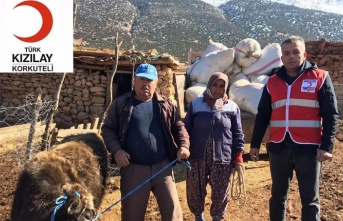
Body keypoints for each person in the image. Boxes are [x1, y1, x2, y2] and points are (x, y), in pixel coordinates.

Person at [249, 35, 339, 221]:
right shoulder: (272, 82)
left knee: (310, 200)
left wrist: (327, 146)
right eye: (287, 53)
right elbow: (263, 115)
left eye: (296, 52)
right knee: (277, 197)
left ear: (304, 54)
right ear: (281, 58)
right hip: (279, 149)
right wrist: (255, 144)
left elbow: (331, 115)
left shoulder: (320, 78)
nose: (291, 56)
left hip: (309, 150)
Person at [101, 63, 190, 221]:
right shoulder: (121, 104)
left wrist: (184, 146)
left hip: (162, 168)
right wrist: (117, 151)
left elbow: (179, 127)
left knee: (174, 214)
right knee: (132, 216)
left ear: (156, 83)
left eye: (149, 80)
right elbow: (108, 129)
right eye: (142, 79)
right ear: (134, 80)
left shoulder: (166, 105)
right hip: (133, 169)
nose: (145, 83)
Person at [183, 72, 245, 221]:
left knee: (221, 190)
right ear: (209, 86)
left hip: (222, 157)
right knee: (195, 189)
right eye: (215, 85)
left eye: (222, 86)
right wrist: (183, 147)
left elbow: (238, 134)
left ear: (226, 88)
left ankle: (217, 217)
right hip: (197, 156)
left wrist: (238, 156)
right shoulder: (197, 104)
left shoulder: (231, 107)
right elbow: (185, 129)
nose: (217, 89)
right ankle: (199, 216)